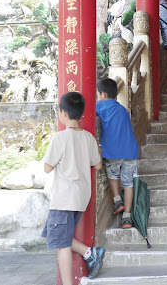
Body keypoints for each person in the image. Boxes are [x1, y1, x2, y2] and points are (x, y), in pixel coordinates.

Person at [42, 92, 105, 283]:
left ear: (62, 113)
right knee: (50, 236)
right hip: (80, 198)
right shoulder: (88, 138)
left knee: (61, 244)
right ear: (81, 113)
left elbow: (47, 168)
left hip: (63, 199)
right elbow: (98, 165)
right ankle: (89, 252)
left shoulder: (59, 138)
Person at [96, 78, 140, 229]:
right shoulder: (122, 109)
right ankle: (127, 218)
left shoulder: (100, 106)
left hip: (114, 152)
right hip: (130, 151)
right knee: (128, 184)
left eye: (97, 94)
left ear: (103, 94)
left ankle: (117, 201)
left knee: (112, 174)